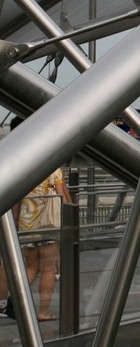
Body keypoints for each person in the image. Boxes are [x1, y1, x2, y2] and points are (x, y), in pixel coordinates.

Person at [10, 117, 73, 322]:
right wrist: (70, 215)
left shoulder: (23, 165)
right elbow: (62, 196)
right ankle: (43, 311)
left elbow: (16, 200)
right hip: (48, 224)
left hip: (27, 224)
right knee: (47, 268)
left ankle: (15, 303)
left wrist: (16, 220)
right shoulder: (52, 165)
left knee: (31, 267)